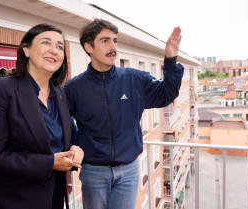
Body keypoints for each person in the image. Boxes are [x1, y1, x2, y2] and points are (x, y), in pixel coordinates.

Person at [64, 18, 184, 209]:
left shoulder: (134, 79)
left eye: (115, 40)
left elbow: (166, 94)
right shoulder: (74, 87)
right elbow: (62, 120)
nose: (113, 47)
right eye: (105, 41)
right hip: (93, 172)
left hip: (128, 171)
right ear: (89, 47)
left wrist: (170, 61)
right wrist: (75, 143)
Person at [0, 23, 84, 209]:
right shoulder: (1, 90)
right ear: (26, 50)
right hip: (12, 201)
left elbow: (69, 136)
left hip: (53, 199)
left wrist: (75, 148)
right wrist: (49, 163)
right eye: (46, 42)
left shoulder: (59, 93)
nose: (54, 50)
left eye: (59, 46)